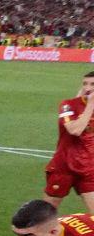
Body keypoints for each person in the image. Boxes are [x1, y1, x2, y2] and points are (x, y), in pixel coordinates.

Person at [43, 71, 94, 213]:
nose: (87, 88)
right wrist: (90, 105)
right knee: (46, 214)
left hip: (88, 168)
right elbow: (75, 130)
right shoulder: (67, 105)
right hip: (64, 166)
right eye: (85, 84)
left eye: (92, 84)